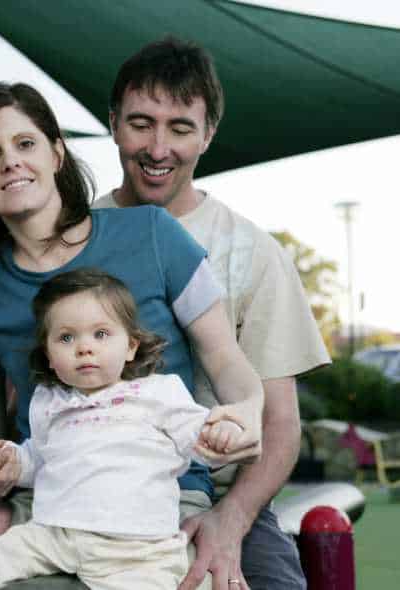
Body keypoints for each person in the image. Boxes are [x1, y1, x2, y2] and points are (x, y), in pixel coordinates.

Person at [0, 81, 264, 590]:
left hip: (157, 498)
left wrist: (248, 409)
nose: (11, 162)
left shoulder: (152, 234)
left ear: (56, 152)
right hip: (48, 498)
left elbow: (224, 357)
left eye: (25, 143)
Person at [93, 37, 331, 589]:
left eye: (179, 127)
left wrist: (231, 520)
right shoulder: (71, 236)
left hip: (216, 492)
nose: (158, 147)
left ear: (208, 134)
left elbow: (279, 423)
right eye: (141, 123)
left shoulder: (251, 252)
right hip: (85, 490)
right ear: (113, 124)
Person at [0, 269, 257, 590]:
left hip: (137, 548)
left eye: (101, 334)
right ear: (50, 357)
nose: (84, 348)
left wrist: (221, 436)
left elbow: (198, 437)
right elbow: (38, 459)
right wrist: (7, 460)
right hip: (54, 534)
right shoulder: (49, 401)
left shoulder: (158, 393)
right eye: (66, 338)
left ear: (130, 347)